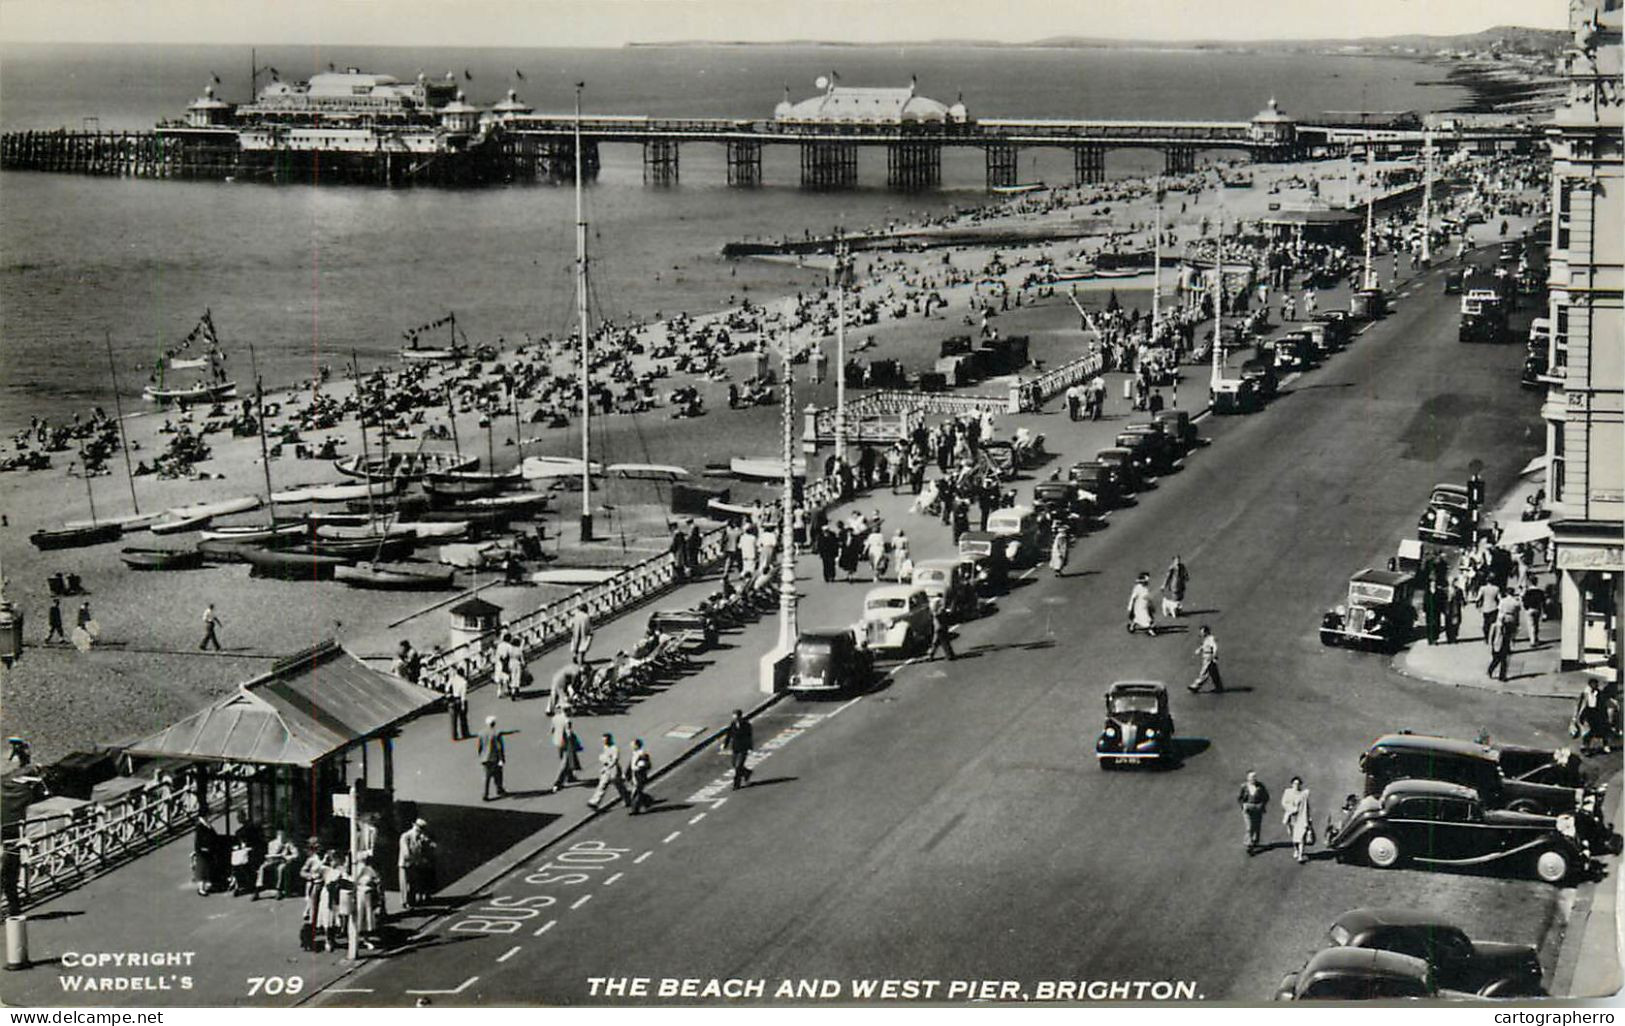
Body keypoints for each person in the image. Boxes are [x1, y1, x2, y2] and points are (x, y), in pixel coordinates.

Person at [398, 819, 436, 909]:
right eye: (418, 829)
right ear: (415, 827)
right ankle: (405, 902)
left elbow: (428, 847)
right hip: (406, 864)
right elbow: (406, 853)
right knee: (405, 884)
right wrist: (418, 859)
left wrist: (427, 843)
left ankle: (412, 901)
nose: (420, 832)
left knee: (413, 883)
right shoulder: (406, 836)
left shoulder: (420, 838)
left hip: (414, 863)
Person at [588, 733, 631, 811]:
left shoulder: (614, 748)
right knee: (602, 785)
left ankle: (627, 799)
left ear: (610, 739)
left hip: (614, 769)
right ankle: (594, 802)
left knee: (619, 786)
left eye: (606, 740)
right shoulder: (605, 747)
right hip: (607, 768)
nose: (604, 742)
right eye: (603, 740)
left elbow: (615, 760)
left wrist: (607, 767)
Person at [255, 828, 299, 900]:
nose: (281, 838)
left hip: (283, 861)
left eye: (283, 836)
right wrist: (270, 857)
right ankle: (257, 889)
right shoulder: (271, 843)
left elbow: (296, 854)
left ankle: (279, 890)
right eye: (279, 836)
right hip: (273, 861)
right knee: (262, 867)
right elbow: (270, 854)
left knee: (280, 869)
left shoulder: (289, 844)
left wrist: (286, 857)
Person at [1280, 776, 1315, 864]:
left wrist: (1309, 818)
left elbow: (1307, 807)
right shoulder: (1288, 792)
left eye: (1298, 784)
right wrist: (1291, 809)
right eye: (1295, 783)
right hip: (1291, 817)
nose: (1296, 785)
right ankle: (1296, 849)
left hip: (1301, 818)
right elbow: (1284, 803)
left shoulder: (1303, 795)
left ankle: (1300, 855)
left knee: (1301, 836)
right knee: (1293, 836)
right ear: (1292, 784)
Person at [550, 706, 582, 793]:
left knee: (566, 758)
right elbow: (569, 734)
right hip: (566, 743)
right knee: (565, 761)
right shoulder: (567, 721)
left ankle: (570, 776)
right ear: (567, 711)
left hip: (557, 741)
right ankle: (557, 783)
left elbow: (552, 730)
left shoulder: (555, 718)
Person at [1237, 771, 1270, 853]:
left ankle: (1255, 841)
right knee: (1249, 826)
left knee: (1256, 826)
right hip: (1248, 808)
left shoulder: (1260, 786)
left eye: (1254, 777)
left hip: (1257, 808)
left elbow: (1266, 797)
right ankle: (1249, 844)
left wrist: (1262, 805)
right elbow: (1239, 798)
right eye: (1251, 777)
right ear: (1247, 778)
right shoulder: (1244, 787)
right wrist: (1243, 806)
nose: (1253, 779)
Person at [477, 715, 507, 801]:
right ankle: (499, 789)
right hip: (494, 757)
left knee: (486, 777)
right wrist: (502, 757)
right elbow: (499, 747)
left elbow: (479, 746)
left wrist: (480, 755)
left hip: (484, 758)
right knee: (498, 774)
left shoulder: (481, 733)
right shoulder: (497, 733)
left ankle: (485, 794)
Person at [722, 710, 754, 790]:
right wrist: (725, 744)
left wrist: (750, 747)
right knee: (733, 764)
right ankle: (747, 772)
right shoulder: (732, 725)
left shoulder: (746, 725)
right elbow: (729, 735)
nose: (735, 719)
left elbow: (749, 737)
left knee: (738, 767)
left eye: (737, 718)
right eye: (734, 717)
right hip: (735, 748)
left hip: (743, 748)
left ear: (740, 717)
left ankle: (736, 784)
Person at [1189, 625, 1225, 693]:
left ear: (1206, 632)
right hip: (1206, 657)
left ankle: (1195, 686)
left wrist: (1214, 655)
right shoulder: (1206, 639)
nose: (1201, 634)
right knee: (1214, 673)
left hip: (1209, 657)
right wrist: (1200, 649)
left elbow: (1215, 647)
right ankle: (1219, 687)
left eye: (1202, 632)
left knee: (1204, 672)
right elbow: (1204, 646)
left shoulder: (1211, 638)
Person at [627, 739, 655, 815]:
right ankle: (648, 801)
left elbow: (647, 765)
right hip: (634, 775)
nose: (631, 746)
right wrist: (627, 775)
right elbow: (631, 765)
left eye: (632, 745)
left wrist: (640, 767)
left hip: (640, 776)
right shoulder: (635, 754)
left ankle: (634, 809)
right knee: (637, 792)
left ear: (636, 745)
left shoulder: (642, 754)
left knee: (635, 793)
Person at [927, 595, 956, 662]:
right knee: (944, 641)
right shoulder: (939, 611)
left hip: (938, 627)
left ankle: (931, 655)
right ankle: (949, 655)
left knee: (936, 642)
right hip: (940, 627)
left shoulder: (935, 609)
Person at [447, 664, 470, 741]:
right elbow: (463, 695)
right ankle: (465, 733)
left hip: (452, 699)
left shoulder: (452, 679)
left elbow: (447, 688)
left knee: (453, 719)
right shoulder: (463, 682)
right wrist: (463, 704)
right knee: (463, 718)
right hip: (460, 699)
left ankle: (454, 736)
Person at [1486, 614, 1512, 682]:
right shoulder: (1494, 626)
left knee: (1504, 661)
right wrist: (1490, 645)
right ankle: (1490, 670)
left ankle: (1502, 676)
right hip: (1496, 645)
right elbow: (1491, 637)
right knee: (1496, 660)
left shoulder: (1506, 626)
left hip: (1504, 645)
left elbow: (1508, 636)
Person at [1522, 577, 1545, 646]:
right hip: (1537, 609)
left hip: (1530, 609)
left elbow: (1524, 601)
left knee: (1531, 625)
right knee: (1536, 624)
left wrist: (1526, 608)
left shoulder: (1527, 592)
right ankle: (1536, 638)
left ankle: (1532, 641)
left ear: (1530, 582)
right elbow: (1543, 602)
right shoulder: (1540, 592)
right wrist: (1544, 612)